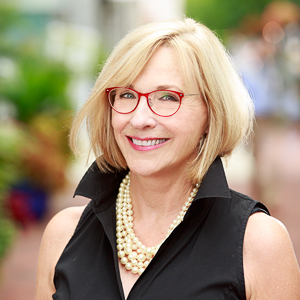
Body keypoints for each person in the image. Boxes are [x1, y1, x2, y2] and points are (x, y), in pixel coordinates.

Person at [35, 18, 300, 300]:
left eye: (167, 97)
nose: (139, 119)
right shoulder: (63, 234)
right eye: (126, 94)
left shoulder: (259, 244)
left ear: (212, 112)